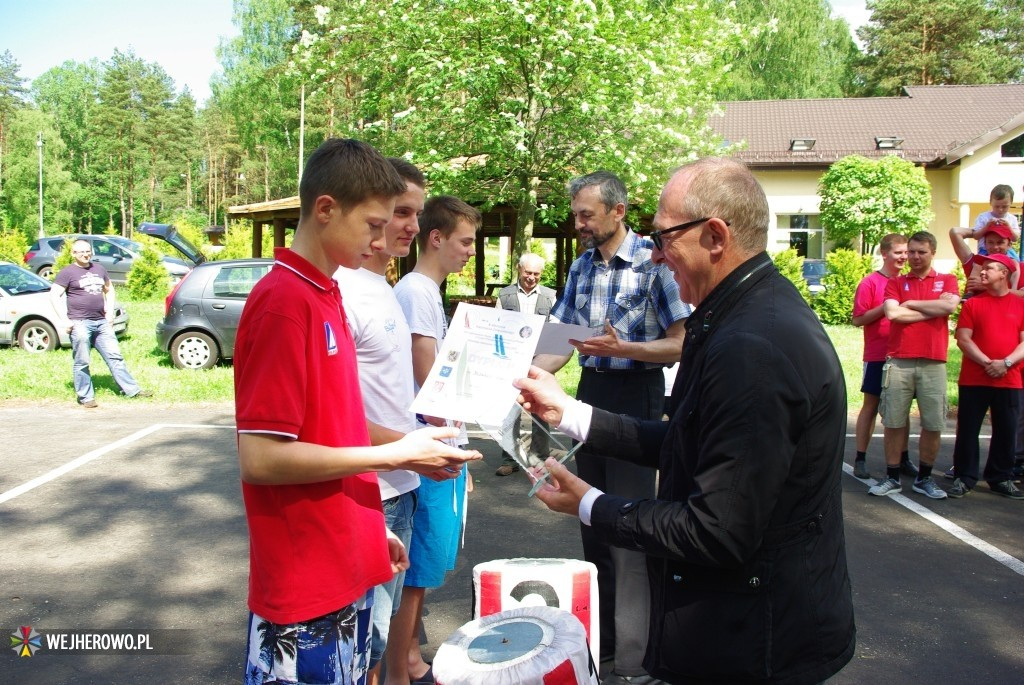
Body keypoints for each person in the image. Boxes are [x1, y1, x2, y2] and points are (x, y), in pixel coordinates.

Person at [517, 157, 855, 685]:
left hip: (755, 640)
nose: (655, 254)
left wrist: (588, 503)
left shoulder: (751, 347)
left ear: (715, 237)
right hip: (747, 624)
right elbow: (688, 439)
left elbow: (715, 531)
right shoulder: (741, 312)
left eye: (663, 237)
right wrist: (571, 413)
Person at [234, 139, 480, 685]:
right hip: (303, 584)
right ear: (325, 209)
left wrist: (365, 524)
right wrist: (398, 451)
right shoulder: (284, 303)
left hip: (342, 555)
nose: (380, 238)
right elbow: (260, 458)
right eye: (373, 224)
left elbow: (334, 421)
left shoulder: (325, 294)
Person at [535, 170, 689, 684]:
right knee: (592, 525)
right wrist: (524, 376)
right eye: (576, 214)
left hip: (637, 399)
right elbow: (558, 342)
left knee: (629, 533)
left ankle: (633, 663)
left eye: (586, 215)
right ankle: (597, 652)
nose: (578, 223)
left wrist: (626, 349)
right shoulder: (580, 266)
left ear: (617, 211)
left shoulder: (654, 263)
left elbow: (683, 341)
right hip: (591, 397)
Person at [334, 157, 426, 685]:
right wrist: (411, 447)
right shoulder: (344, 293)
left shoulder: (381, 286)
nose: (412, 224)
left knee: (377, 631)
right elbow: (336, 416)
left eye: (414, 212)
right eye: (400, 212)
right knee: (359, 641)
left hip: (400, 483)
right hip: (372, 490)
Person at [392, 195, 481, 685]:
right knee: (418, 566)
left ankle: (408, 655)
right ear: (437, 237)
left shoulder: (423, 290)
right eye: (465, 241)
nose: (471, 251)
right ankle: (403, 663)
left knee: (424, 565)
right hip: (429, 446)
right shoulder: (418, 291)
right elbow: (429, 385)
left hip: (437, 444)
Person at [869, 231, 960, 499]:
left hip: (934, 362)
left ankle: (925, 478)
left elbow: (949, 308)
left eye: (921, 252)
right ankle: (892, 476)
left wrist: (912, 304)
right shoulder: (896, 282)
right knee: (894, 421)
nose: (915, 257)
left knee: (933, 424)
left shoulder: (947, 280)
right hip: (899, 360)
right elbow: (892, 313)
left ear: (932, 252)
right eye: (911, 251)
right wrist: (932, 308)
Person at [947, 253, 1024, 500]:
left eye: (989, 268)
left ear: (1004, 273)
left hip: (1010, 378)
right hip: (974, 378)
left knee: (1007, 430)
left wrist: (1007, 363)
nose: (982, 271)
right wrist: (989, 362)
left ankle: (1000, 477)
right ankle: (964, 477)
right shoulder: (972, 304)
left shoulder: (1020, 305)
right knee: (968, 429)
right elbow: (963, 338)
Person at [49, 239, 152, 408]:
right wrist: (64, 319)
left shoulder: (99, 269)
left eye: (88, 251)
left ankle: (132, 390)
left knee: (115, 357)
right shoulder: (67, 273)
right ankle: (85, 397)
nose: (85, 254)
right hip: (79, 322)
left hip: (101, 322)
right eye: (81, 252)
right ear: (73, 254)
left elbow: (109, 289)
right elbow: (54, 295)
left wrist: (109, 312)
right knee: (82, 361)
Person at [852, 233, 912, 480]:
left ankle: (904, 458)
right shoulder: (870, 283)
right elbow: (858, 319)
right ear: (885, 254)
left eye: (906, 252)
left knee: (903, 409)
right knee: (871, 405)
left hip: (905, 354)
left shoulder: (909, 282)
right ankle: (860, 458)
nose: (904, 257)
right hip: (878, 354)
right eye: (899, 252)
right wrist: (888, 306)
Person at [493, 252, 557, 476]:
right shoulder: (504, 295)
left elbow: (555, 330)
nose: (532, 277)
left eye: (537, 274)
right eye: (528, 272)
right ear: (519, 269)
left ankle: (540, 458)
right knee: (510, 412)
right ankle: (509, 459)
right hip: (511, 361)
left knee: (542, 410)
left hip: (541, 362)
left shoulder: (550, 296)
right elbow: (497, 327)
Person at [949, 218, 1019, 295]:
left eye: (1000, 242)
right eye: (990, 242)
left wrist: (988, 285)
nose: (995, 247)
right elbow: (955, 232)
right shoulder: (977, 262)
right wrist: (982, 230)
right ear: (985, 244)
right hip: (973, 306)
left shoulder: (1018, 267)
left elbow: (1021, 295)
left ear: (1009, 245)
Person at [973, 184, 1020, 258]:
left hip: (1006, 251)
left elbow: (1015, 239)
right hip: (985, 250)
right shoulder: (983, 217)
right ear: (990, 202)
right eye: (997, 206)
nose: (1000, 210)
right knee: (977, 266)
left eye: (1004, 206)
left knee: (1016, 264)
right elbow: (976, 236)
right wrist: (987, 226)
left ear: (1011, 203)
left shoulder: (1012, 219)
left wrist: (1008, 227)